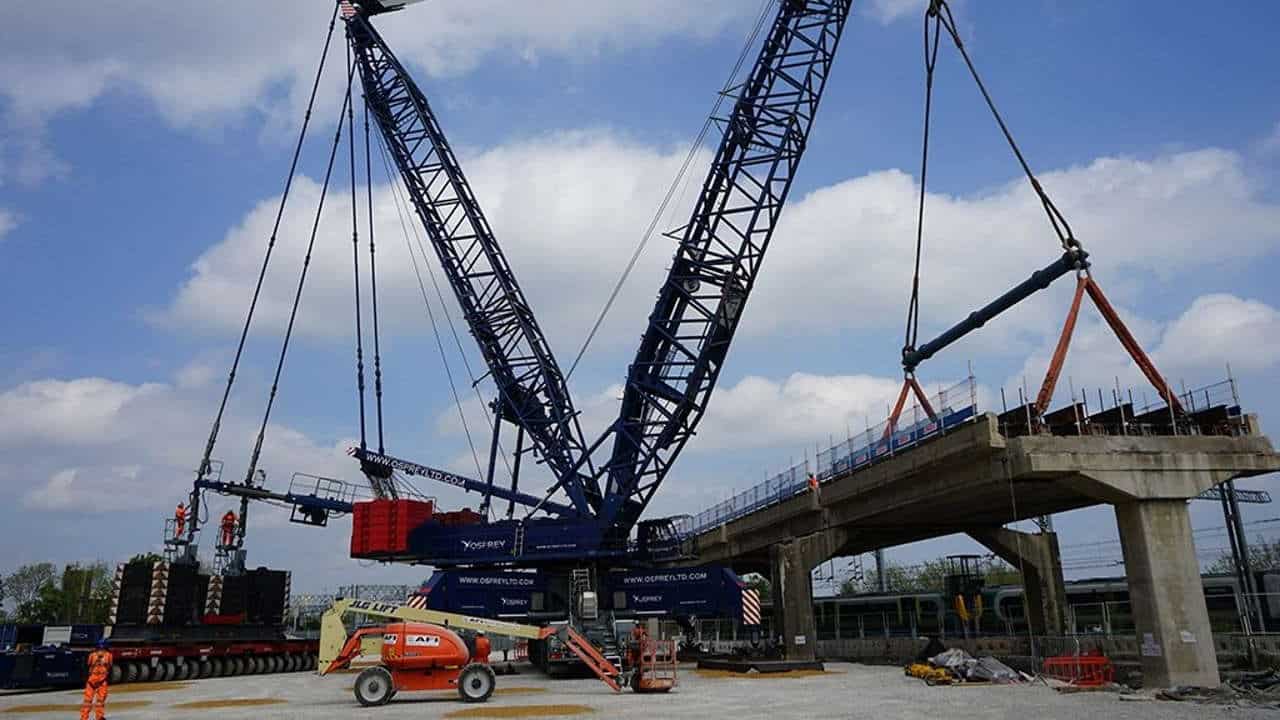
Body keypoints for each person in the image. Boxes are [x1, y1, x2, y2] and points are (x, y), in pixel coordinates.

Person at [80, 638, 111, 720]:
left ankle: (84, 718)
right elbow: (109, 667)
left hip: (91, 681)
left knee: (87, 701)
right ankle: (99, 717)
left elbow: (87, 665)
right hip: (102, 681)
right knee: (100, 701)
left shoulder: (92, 655)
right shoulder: (108, 655)